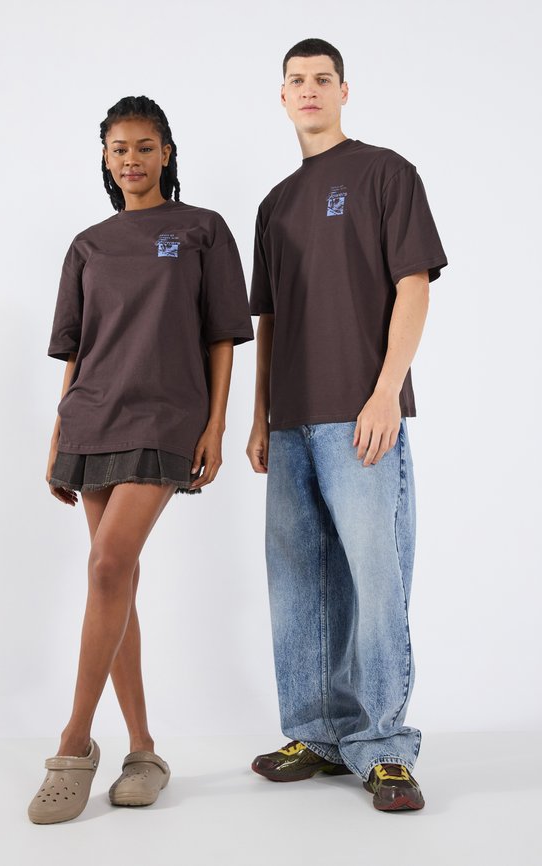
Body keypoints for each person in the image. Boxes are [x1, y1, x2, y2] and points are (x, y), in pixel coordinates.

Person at [28, 95, 254, 824]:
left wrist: (216, 424)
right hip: (91, 417)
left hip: (165, 416)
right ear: (105, 157)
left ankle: (73, 744)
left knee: (106, 565)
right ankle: (145, 751)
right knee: (115, 578)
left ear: (166, 153)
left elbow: (221, 334)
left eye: (145, 147)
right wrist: (58, 432)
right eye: (119, 148)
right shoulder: (87, 245)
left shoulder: (201, 230)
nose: (132, 159)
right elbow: (75, 349)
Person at [246, 38, 448, 812]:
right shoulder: (274, 205)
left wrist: (385, 392)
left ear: (343, 91)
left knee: (375, 579)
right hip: (291, 422)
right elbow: (269, 320)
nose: (309, 90)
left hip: (362, 415)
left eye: (322, 79)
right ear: (282, 96)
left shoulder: (384, 173)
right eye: (296, 80)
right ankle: (317, 733)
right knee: (298, 582)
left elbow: (414, 286)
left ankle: (385, 746)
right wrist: (261, 417)